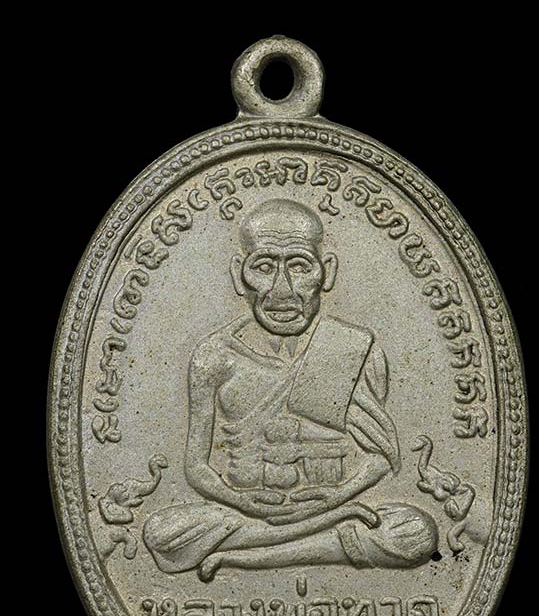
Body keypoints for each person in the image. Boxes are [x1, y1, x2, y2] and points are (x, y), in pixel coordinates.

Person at [144, 199, 437, 580]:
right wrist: (243, 503)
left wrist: (337, 497)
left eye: (299, 266)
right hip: (247, 510)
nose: (282, 291)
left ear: (326, 272)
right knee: (161, 533)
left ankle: (250, 553)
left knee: (415, 533)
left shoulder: (352, 348)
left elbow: (379, 457)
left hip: (331, 503)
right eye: (264, 267)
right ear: (238, 274)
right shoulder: (214, 356)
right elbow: (197, 468)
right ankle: (310, 539)